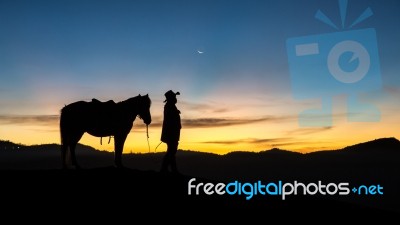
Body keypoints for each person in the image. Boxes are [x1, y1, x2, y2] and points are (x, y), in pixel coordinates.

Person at [160, 90, 181, 173]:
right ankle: (169, 169)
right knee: (172, 151)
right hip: (171, 134)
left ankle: (167, 169)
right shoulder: (169, 107)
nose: (175, 98)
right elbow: (171, 120)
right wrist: (176, 112)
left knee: (171, 151)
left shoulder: (170, 106)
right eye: (174, 97)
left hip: (171, 133)